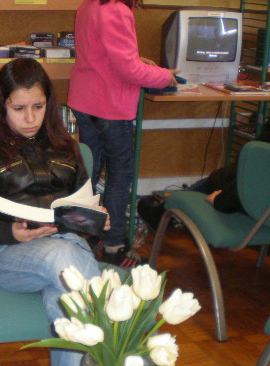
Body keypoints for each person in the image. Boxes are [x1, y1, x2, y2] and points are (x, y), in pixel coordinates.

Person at [0, 58, 108, 366]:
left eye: (38, 107)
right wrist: (10, 231)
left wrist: (94, 218)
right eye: (19, 108)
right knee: (64, 261)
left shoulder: (65, 144)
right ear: (1, 105)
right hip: (4, 252)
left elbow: (82, 202)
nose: (30, 118)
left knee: (68, 305)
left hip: (66, 249)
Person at [67, 0, 179, 268]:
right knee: (119, 176)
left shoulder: (89, 4)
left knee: (90, 175)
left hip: (85, 101)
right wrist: (165, 76)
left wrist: (140, 62)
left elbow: (104, 55)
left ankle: (84, 237)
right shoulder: (118, 9)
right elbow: (128, 70)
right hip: (111, 107)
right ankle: (114, 244)